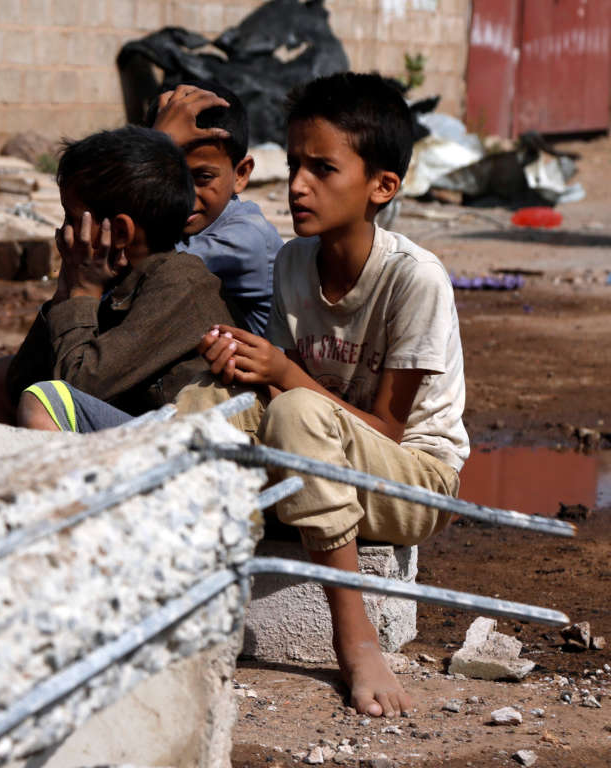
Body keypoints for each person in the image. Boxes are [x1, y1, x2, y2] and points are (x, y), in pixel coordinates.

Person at [176, 72, 470, 717]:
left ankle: (355, 636)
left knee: (300, 408)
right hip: (324, 453)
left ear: (381, 187)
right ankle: (194, 588)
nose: (298, 185)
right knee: (205, 400)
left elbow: (390, 430)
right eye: (295, 165)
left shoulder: (413, 279)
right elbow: (277, 391)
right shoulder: (292, 262)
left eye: (323, 169)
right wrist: (239, 365)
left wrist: (284, 375)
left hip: (413, 479)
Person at [0, 124, 232, 431]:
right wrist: (65, 293)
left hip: (179, 444)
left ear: (118, 232)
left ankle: (51, 479)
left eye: (72, 219)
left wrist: (81, 294)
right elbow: (19, 381)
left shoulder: (180, 285)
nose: (64, 233)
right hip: (129, 422)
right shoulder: (113, 276)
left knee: (45, 401)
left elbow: (77, 385)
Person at [151, 82, 284, 336]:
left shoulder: (245, 238)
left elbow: (144, 263)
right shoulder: (175, 225)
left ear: (241, 174)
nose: (185, 199)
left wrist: (157, 147)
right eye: (167, 178)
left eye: (202, 178)